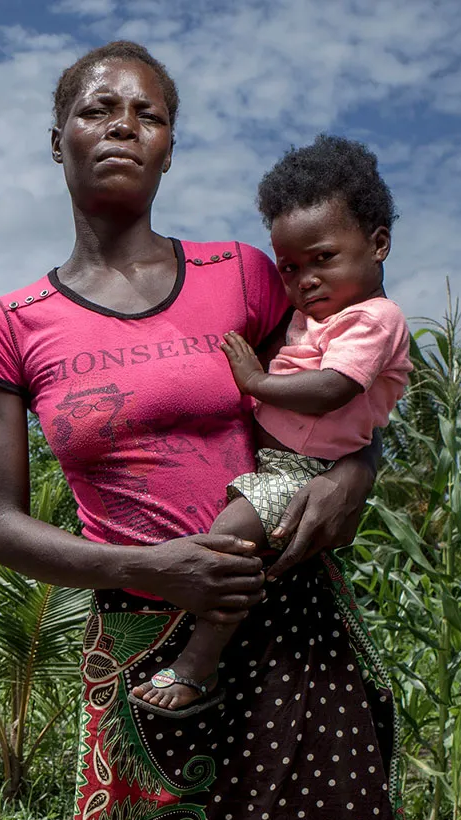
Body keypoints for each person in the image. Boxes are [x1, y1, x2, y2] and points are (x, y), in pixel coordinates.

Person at [0, 41, 421, 820]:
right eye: (98, 107)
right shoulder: (8, 325)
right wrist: (163, 568)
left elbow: (345, 381)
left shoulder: (243, 275)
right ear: (57, 139)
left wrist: (360, 472)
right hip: (136, 659)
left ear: (169, 149)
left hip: (291, 635)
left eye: (149, 113)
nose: (123, 124)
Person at [130, 135, 412, 717]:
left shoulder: (374, 320)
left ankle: (194, 667)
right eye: (290, 267)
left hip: (300, 470)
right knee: (230, 549)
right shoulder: (317, 317)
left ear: (378, 243)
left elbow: (334, 388)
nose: (305, 279)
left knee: (227, 545)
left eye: (323, 259)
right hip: (279, 465)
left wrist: (255, 383)